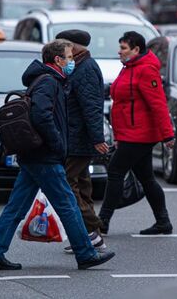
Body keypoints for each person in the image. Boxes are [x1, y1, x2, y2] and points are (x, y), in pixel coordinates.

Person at [0, 40, 115, 271]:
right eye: (69, 58)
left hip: (34, 155)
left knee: (16, 208)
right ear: (58, 60)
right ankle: (85, 253)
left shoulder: (46, 80)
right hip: (44, 156)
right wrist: (58, 145)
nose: (72, 61)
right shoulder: (49, 81)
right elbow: (41, 116)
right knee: (68, 205)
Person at [98, 31, 175, 235]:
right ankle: (163, 221)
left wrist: (168, 135)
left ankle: (102, 221)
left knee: (115, 171)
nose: (119, 51)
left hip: (140, 134)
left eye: (123, 48)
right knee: (147, 177)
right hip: (130, 133)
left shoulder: (146, 70)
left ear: (136, 50)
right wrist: (118, 136)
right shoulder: (129, 67)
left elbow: (158, 104)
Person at [55, 30, 109, 254]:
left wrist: (97, 138)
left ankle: (93, 230)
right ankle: (89, 233)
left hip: (79, 138)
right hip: (76, 136)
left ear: (74, 46)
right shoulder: (79, 66)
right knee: (82, 184)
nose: (62, 51)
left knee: (67, 183)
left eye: (64, 46)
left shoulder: (85, 69)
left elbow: (92, 107)